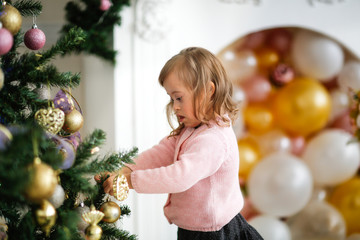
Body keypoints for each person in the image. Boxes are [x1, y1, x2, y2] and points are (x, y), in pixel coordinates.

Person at [95, 47, 263, 240]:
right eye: (171, 98)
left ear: (208, 91)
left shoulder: (213, 140)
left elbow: (180, 176)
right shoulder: (193, 128)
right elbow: (160, 154)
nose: (174, 106)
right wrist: (124, 171)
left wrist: (131, 181)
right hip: (194, 229)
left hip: (214, 233)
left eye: (179, 98)